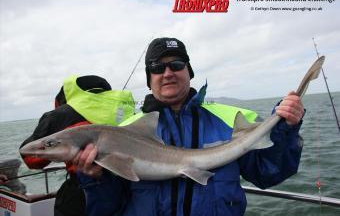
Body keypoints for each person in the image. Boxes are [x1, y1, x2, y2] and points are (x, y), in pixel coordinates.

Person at [75, 37, 305, 216]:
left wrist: (285, 128)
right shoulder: (123, 133)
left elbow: (268, 173)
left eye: (176, 64)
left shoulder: (231, 119)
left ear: (189, 72)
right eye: (157, 67)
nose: (167, 73)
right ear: (149, 78)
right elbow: (106, 209)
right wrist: (96, 180)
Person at [19, 75, 135, 216]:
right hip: (129, 185)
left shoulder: (63, 113)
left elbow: (31, 158)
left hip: (82, 189)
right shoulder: (124, 109)